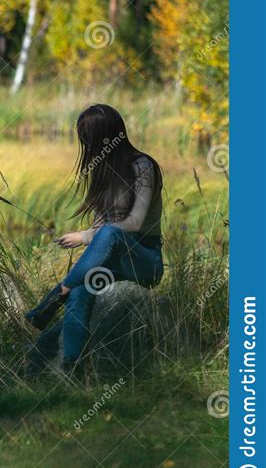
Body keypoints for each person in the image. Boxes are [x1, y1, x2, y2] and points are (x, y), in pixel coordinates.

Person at [25, 104, 164, 372]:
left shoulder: (143, 166)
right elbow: (100, 230)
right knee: (80, 291)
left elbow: (133, 224)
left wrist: (84, 235)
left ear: (106, 136)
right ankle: (71, 364)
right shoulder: (102, 172)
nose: (85, 145)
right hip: (114, 266)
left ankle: (55, 297)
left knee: (112, 231)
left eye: (88, 137)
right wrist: (89, 250)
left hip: (145, 260)